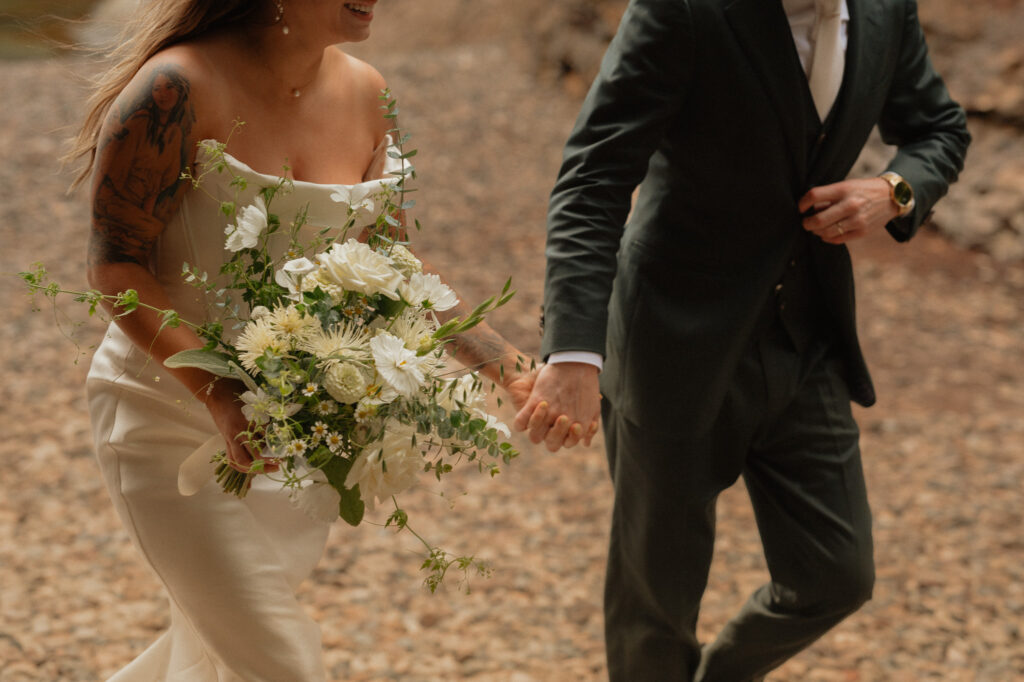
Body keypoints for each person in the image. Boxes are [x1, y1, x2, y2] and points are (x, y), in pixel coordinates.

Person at [69, 1, 537, 679]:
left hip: (293, 433)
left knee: (213, 655)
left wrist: (509, 365)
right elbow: (114, 266)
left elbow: (396, 263)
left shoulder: (369, 92)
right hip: (161, 421)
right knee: (277, 656)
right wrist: (220, 394)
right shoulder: (173, 88)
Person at [513, 0, 970, 679]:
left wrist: (895, 191)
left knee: (837, 575)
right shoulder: (681, 11)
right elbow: (594, 178)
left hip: (805, 339)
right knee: (656, 605)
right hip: (672, 337)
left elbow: (939, 128)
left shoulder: (884, 10)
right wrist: (575, 351)